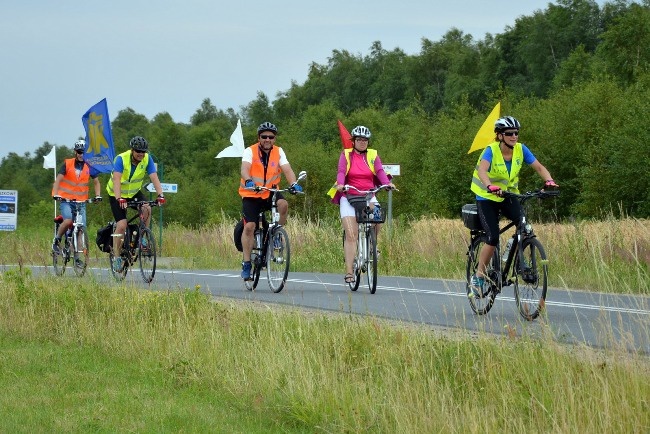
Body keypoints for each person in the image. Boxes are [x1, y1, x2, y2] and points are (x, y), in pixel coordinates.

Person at [468, 116, 558, 297]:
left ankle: (516, 255)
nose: (514, 136)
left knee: (523, 226)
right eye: (509, 133)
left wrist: (549, 181)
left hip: (508, 194)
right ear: (500, 136)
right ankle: (478, 277)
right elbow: (482, 170)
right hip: (486, 197)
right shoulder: (491, 151)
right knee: (492, 237)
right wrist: (489, 186)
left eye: (516, 133)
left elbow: (539, 167)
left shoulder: (521, 149)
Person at [330, 125, 395, 284]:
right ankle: (349, 271)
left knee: (378, 217)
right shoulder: (346, 154)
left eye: (365, 140)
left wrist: (387, 184)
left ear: (368, 141)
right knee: (352, 235)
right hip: (349, 195)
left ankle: (372, 245)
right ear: (353, 141)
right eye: (359, 139)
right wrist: (340, 184)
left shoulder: (373, 155)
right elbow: (341, 171)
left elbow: (379, 171)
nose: (362, 142)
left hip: (368, 194)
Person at [239, 121, 302, 280]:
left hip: (270, 193)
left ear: (275, 138)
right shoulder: (250, 151)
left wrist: (294, 184)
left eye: (271, 137)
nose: (267, 139)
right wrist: (248, 181)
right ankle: (247, 263)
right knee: (250, 227)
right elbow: (244, 169)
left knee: (284, 204)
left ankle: (276, 234)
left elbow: (287, 170)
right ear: (259, 137)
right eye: (264, 136)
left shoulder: (279, 152)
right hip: (252, 194)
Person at [106, 136, 165, 272]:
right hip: (117, 193)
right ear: (132, 150)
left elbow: (154, 177)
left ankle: (142, 236)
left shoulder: (147, 159)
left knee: (147, 208)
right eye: (138, 151)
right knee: (122, 225)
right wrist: (119, 198)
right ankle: (117, 257)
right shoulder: (121, 159)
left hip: (133, 193)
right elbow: (116, 180)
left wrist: (160, 195)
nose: (141, 154)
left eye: (143, 151)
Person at [51, 139, 102, 261]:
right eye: (79, 152)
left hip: (81, 202)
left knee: (80, 229)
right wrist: (55, 194)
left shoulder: (89, 166)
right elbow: (58, 180)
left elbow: (96, 182)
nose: (81, 154)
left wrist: (98, 195)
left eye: (83, 152)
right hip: (66, 200)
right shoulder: (67, 164)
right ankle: (57, 240)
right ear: (75, 152)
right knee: (68, 221)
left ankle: (77, 257)